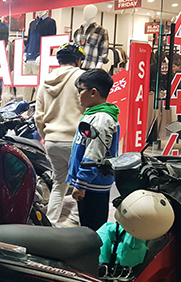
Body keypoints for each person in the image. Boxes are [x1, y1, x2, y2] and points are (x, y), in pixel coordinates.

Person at [35, 43, 85, 227]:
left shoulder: (45, 81)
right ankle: (79, 222)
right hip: (75, 141)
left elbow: (38, 116)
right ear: (78, 60)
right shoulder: (82, 78)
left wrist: (46, 135)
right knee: (82, 184)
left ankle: (51, 223)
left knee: (59, 183)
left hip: (52, 140)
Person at [67, 69, 120, 231]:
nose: (78, 95)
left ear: (93, 92)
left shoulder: (101, 119)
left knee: (93, 231)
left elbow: (94, 153)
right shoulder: (93, 114)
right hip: (91, 183)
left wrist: (81, 182)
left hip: (93, 185)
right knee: (88, 226)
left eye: (80, 90)